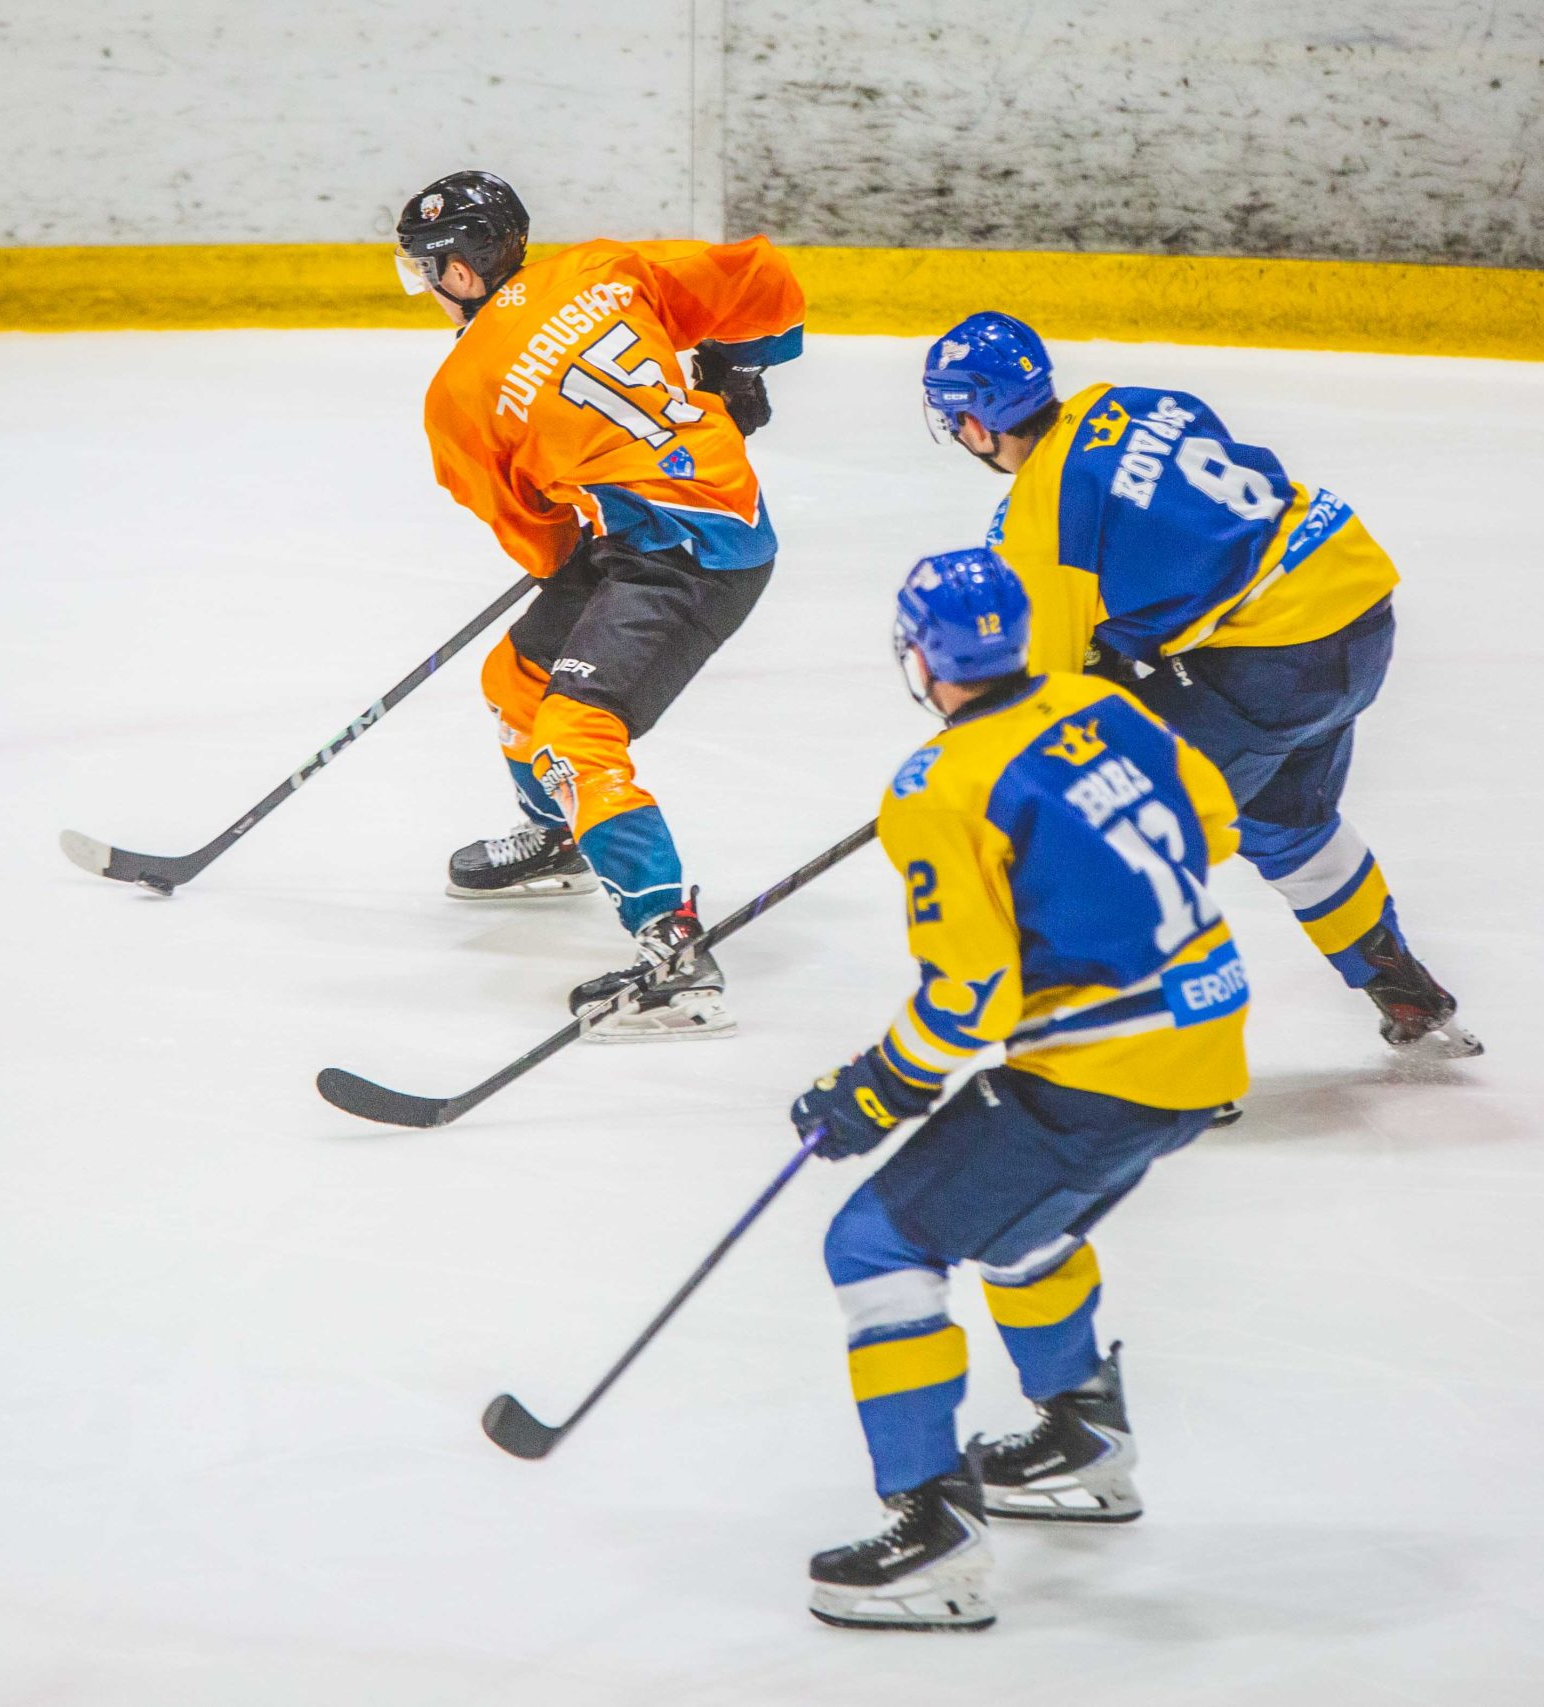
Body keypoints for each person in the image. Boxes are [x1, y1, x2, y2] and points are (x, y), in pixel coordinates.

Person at [792, 549, 1249, 1632]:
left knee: (877, 1245)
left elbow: (972, 999)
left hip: (1100, 1071)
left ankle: (930, 1536)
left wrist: (874, 1088)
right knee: (1018, 1228)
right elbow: (1217, 825)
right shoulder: (1101, 704)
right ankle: (1079, 1440)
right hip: (1206, 1043)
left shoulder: (939, 785)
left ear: (921, 658)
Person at [920, 312, 1480, 1056]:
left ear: (973, 422)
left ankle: (1159, 1055)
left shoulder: (1040, 523)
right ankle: (1405, 991)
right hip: (1356, 609)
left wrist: (978, 748)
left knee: (1098, 827)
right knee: (1287, 823)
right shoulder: (1128, 401)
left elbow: (1047, 701)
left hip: (1279, 661)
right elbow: (1179, 524)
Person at [394, 170, 804, 1039]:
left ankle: (675, 957)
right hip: (693, 514)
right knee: (516, 680)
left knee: (572, 737)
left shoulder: (458, 396)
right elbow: (761, 279)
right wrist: (737, 371)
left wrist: (585, 510)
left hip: (690, 557)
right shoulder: (598, 268)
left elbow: (541, 544)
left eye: (428, 268)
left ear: (459, 272)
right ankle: (560, 839)